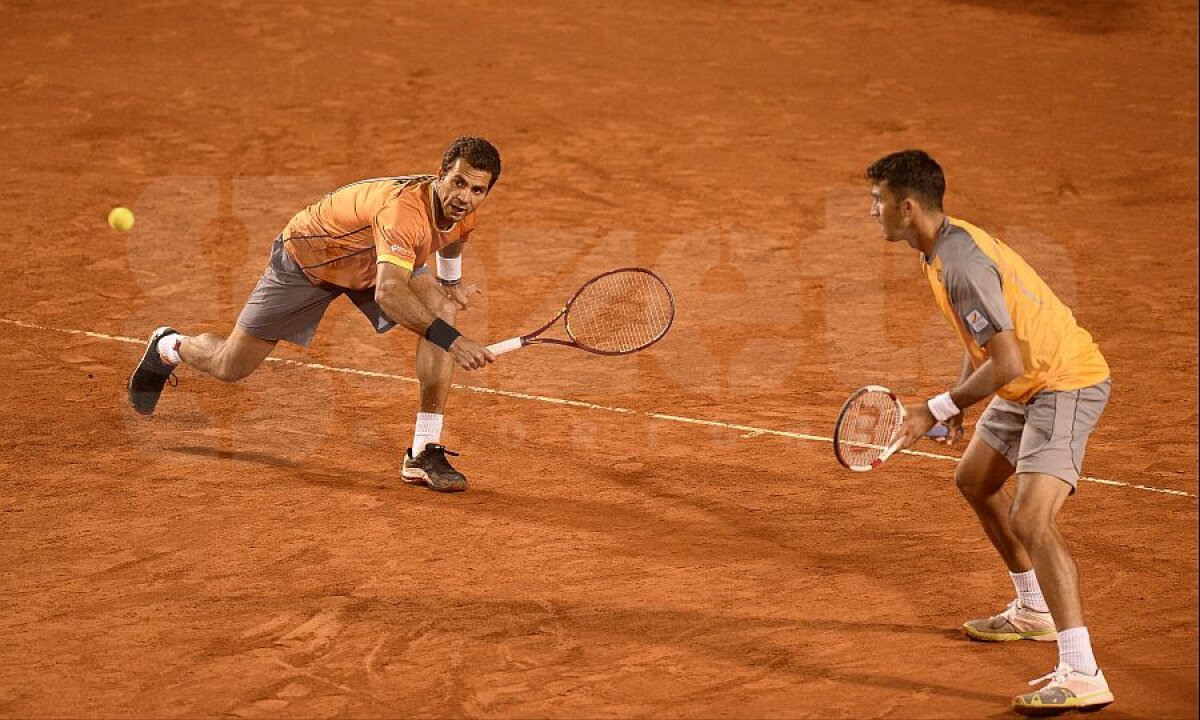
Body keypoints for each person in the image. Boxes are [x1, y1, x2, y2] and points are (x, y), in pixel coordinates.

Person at [866, 150, 1114, 715]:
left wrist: (936, 408)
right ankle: (1034, 609)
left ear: (907, 206)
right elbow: (982, 339)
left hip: (1062, 381)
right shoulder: (940, 248)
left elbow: (1006, 360)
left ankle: (1083, 671)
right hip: (1024, 381)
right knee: (975, 479)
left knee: (1032, 518)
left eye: (878, 200)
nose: (872, 210)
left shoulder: (959, 263)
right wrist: (960, 397)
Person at [127, 136, 501, 493]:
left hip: (375, 258)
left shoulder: (462, 211)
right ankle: (168, 346)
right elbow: (389, 293)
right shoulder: (403, 212)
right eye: (458, 183)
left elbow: (454, 237)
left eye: (477, 190)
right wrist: (454, 342)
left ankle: (424, 451)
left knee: (441, 308)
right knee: (229, 366)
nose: (464, 197)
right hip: (312, 259)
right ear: (440, 175)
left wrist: (451, 283)